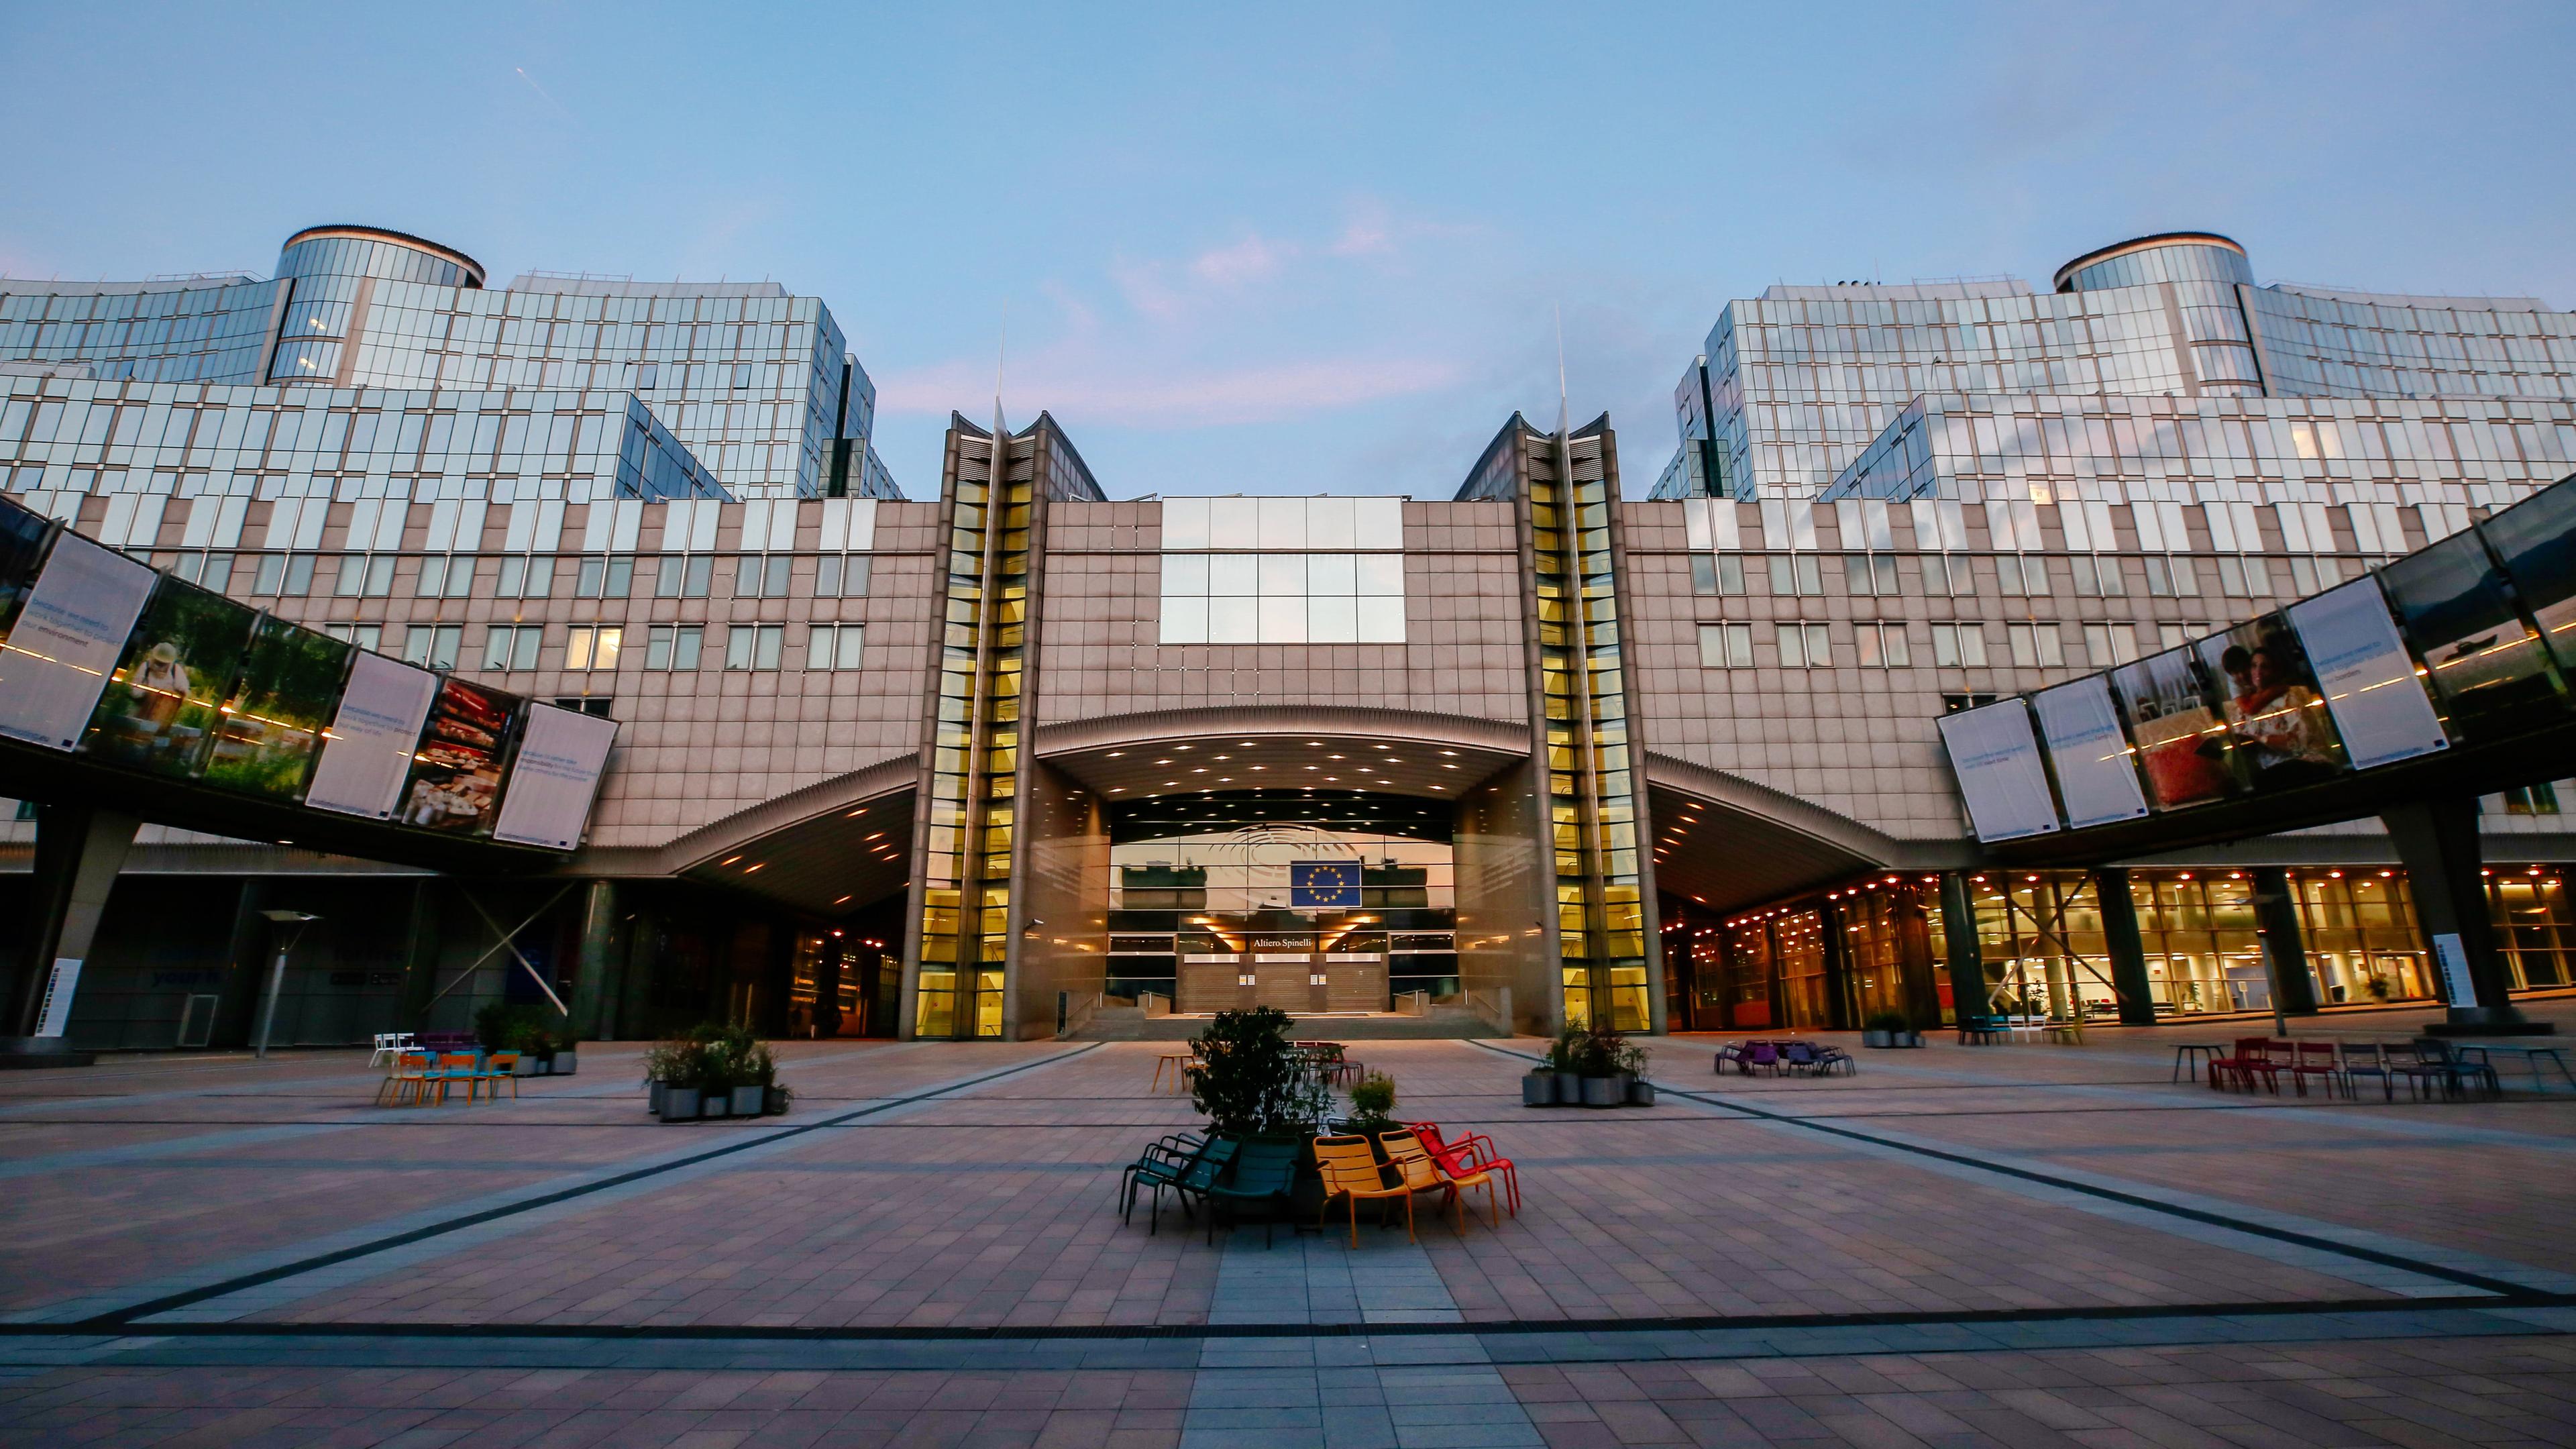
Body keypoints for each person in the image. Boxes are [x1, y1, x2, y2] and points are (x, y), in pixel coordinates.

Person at [2224, 635, 2338, 789]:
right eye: (2254, 666)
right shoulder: (2242, 710)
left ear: (2274, 670)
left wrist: (2260, 739)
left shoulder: (2290, 697)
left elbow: (2299, 742)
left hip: (2306, 763)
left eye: (2264, 666)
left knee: (2265, 781)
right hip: (2272, 772)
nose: (2258, 671)